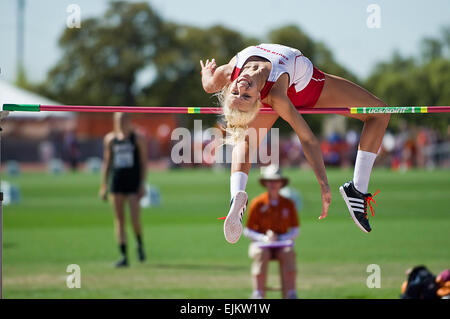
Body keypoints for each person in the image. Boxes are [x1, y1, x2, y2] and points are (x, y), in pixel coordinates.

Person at [200, 43, 389, 243]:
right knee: (380, 112)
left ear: (229, 87)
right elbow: (307, 138)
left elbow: (209, 85)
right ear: (258, 100)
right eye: (245, 96)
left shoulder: (229, 72)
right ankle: (357, 190)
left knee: (248, 139)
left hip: (286, 79)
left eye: (235, 93)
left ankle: (236, 197)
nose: (241, 87)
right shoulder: (276, 96)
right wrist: (324, 184)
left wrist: (205, 72)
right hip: (309, 89)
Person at [99, 113, 148, 267]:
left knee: (134, 219)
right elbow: (107, 162)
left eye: (124, 120)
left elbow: (143, 162)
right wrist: (104, 185)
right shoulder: (110, 139)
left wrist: (142, 184)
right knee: (119, 220)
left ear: (129, 121)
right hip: (117, 181)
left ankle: (139, 244)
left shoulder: (137, 138)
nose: (120, 123)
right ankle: (123, 255)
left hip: (132, 182)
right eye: (118, 120)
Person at [244, 165, 300, 299]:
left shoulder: (288, 203)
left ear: (281, 183)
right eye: (270, 181)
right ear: (265, 183)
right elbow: (247, 230)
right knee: (261, 253)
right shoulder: (258, 203)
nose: (273, 184)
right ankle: (258, 293)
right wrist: (264, 238)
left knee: (288, 253)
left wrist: (280, 238)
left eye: (276, 181)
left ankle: (290, 293)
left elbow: (295, 230)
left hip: (282, 244)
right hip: (261, 244)